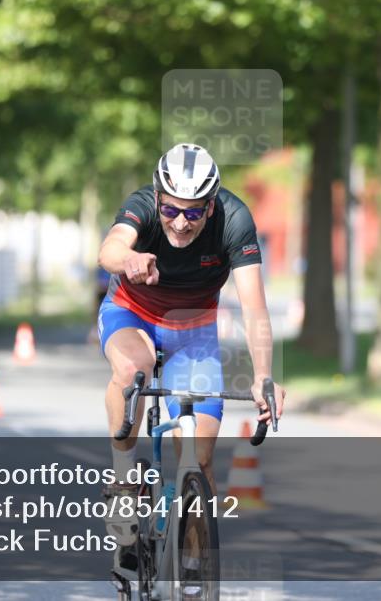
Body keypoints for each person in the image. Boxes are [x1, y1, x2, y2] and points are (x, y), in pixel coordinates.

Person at [97, 143, 286, 548]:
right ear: (158, 199)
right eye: (171, 210)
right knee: (134, 369)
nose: (181, 222)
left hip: (194, 330)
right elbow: (109, 248)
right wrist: (127, 258)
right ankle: (124, 480)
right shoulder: (142, 205)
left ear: (212, 206)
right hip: (132, 314)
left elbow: (254, 306)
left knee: (198, 461)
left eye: (194, 212)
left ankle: (195, 574)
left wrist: (264, 376)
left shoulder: (235, 220)